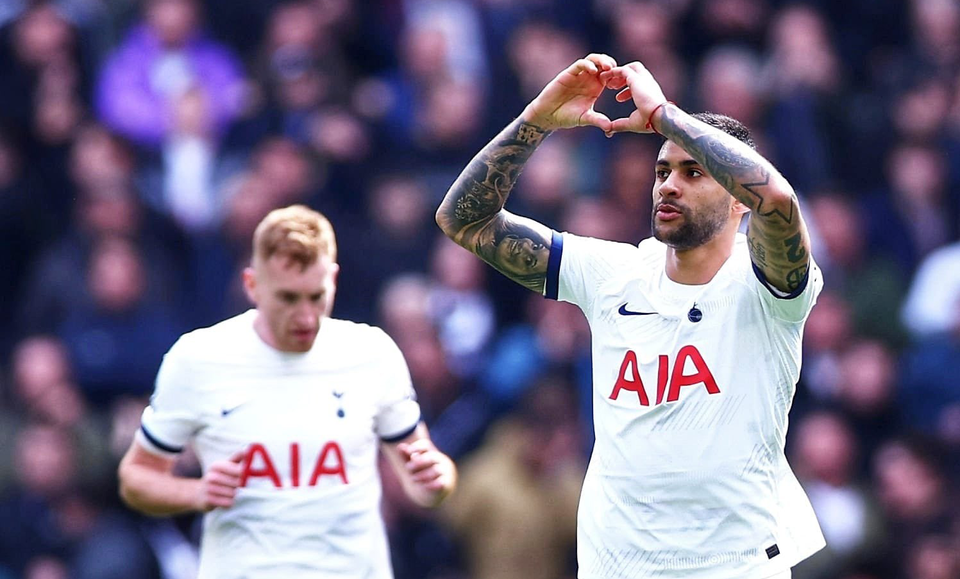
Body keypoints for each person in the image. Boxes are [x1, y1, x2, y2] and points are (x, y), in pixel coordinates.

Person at [437, 53, 825, 578]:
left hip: (733, 565)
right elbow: (463, 220)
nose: (668, 184)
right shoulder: (613, 273)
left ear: (738, 201)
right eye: (662, 170)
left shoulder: (767, 286)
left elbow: (776, 200)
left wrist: (665, 115)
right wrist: (537, 120)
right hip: (615, 566)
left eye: (694, 172)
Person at [118, 204, 457, 578]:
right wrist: (196, 493)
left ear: (334, 278)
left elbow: (426, 475)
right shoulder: (197, 360)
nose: (306, 316)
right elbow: (136, 479)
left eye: (317, 296)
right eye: (288, 298)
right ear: (252, 286)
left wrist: (436, 480)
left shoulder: (372, 353)